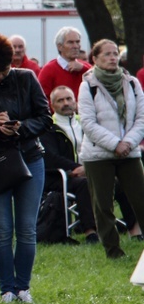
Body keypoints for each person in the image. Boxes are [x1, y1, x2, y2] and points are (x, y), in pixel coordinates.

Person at [0, 33, 52, 303]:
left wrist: (20, 127)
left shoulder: (27, 78)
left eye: (3, 70)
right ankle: (6, 289)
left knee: (27, 228)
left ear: (12, 63)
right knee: (3, 229)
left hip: (30, 157)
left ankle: (23, 287)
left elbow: (45, 117)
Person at [78, 39, 144, 259]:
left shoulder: (132, 83)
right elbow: (88, 123)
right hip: (98, 155)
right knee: (103, 205)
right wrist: (115, 144)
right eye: (106, 54)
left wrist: (128, 143)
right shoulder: (88, 85)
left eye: (115, 53)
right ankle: (113, 250)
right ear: (95, 59)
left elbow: (141, 119)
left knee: (140, 197)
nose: (112, 57)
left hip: (130, 152)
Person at [39, 86, 99, 243]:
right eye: (60, 100)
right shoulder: (48, 127)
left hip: (92, 170)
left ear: (76, 101)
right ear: (52, 105)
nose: (66, 103)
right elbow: (51, 157)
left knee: (121, 181)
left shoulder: (86, 123)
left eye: (69, 99)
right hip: (60, 176)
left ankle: (133, 227)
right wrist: (75, 168)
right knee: (83, 184)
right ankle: (90, 232)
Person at [38, 27, 91, 101]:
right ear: (60, 47)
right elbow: (41, 99)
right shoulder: (48, 70)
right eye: (70, 42)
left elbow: (100, 84)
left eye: (77, 42)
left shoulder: (86, 67)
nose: (75, 46)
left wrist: (83, 69)